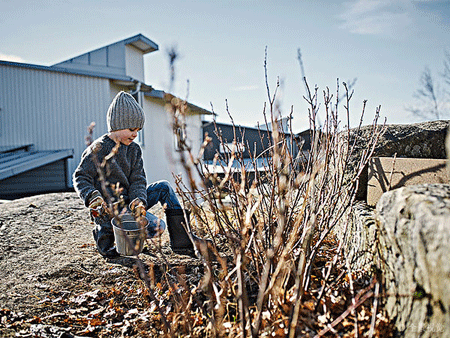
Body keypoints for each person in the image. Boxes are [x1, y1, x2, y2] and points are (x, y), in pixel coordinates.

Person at [73, 91, 204, 258]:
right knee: (151, 227)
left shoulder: (134, 150)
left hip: (130, 204)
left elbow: (138, 179)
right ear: (117, 125)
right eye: (131, 129)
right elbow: (80, 176)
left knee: (163, 189)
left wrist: (139, 200)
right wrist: (92, 196)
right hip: (109, 207)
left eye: (138, 130)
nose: (136, 134)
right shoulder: (98, 149)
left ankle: (182, 241)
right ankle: (106, 234)